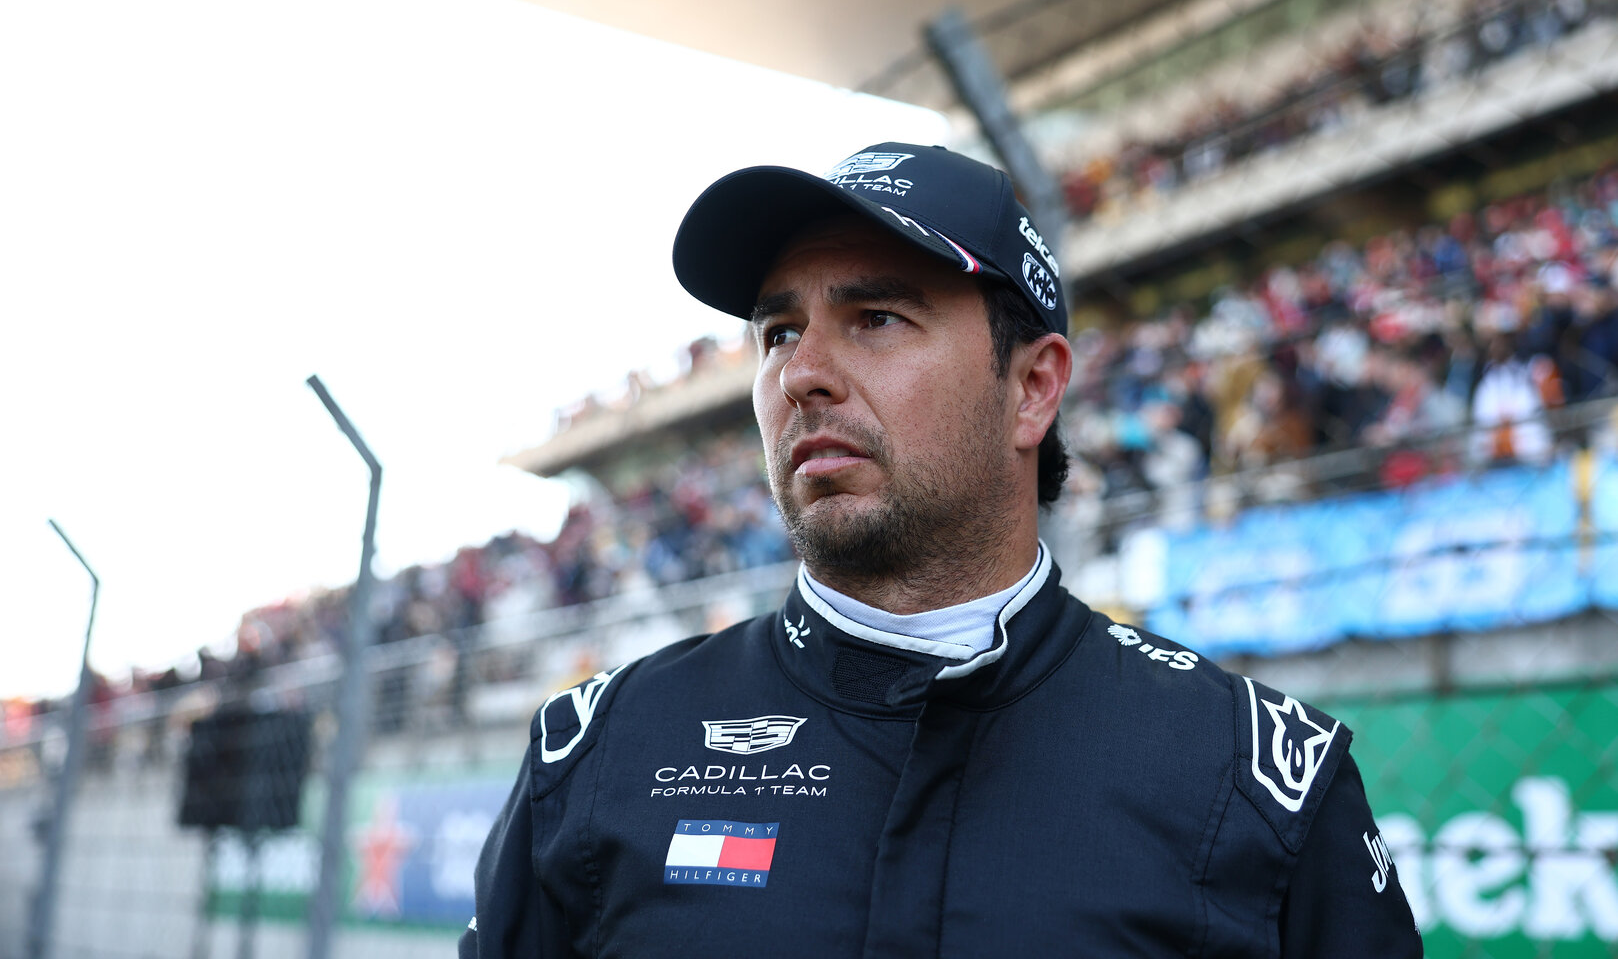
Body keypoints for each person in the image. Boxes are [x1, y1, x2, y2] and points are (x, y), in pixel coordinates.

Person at [460, 143, 1422, 956]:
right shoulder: (600, 751)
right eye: (779, 331)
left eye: (876, 319)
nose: (802, 375)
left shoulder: (1254, 780)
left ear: (1033, 389)